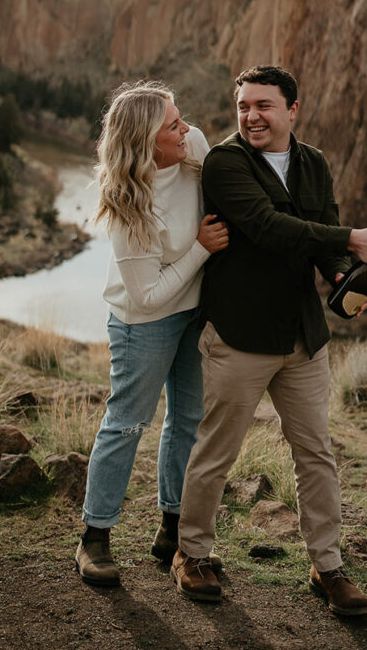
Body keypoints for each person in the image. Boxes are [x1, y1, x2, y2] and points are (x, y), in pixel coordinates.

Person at [172, 65, 367, 616]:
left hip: (303, 339)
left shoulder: (314, 162)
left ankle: (327, 568)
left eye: (264, 106)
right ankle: (192, 554)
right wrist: (354, 239)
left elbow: (323, 234)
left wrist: (351, 273)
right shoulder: (225, 163)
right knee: (215, 451)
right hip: (239, 336)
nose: (252, 116)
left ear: (291, 110)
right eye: (244, 106)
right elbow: (269, 227)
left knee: (316, 454)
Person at [75, 79, 228, 587]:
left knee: (187, 418)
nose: (186, 129)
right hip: (144, 324)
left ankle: (173, 531)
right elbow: (147, 295)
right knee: (128, 423)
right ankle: (94, 538)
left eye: (180, 117)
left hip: (194, 313)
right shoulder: (126, 203)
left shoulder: (194, 147)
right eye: (173, 126)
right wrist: (203, 249)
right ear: (145, 143)